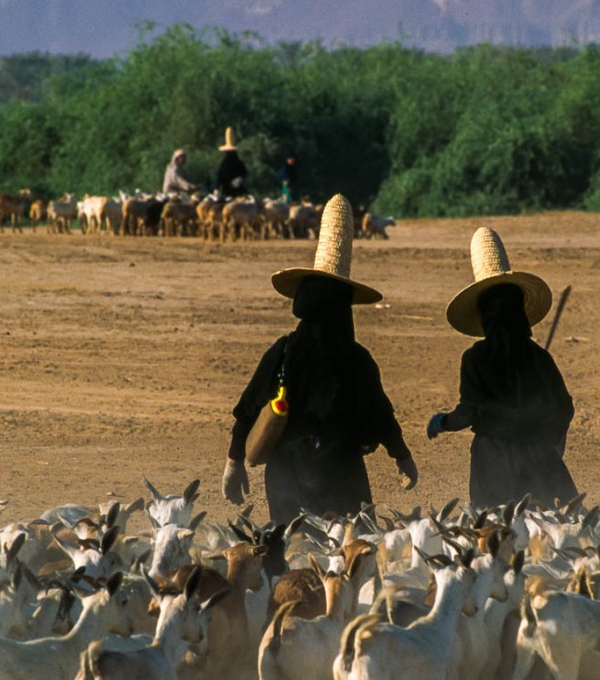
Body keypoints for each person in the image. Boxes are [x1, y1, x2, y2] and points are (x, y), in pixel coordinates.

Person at [223, 194, 418, 521]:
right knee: (344, 556)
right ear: (344, 309)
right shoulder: (356, 359)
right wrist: (402, 457)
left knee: (289, 552)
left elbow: (248, 410)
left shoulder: (283, 351)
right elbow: (380, 415)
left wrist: (234, 463)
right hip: (339, 474)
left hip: (285, 474)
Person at [426, 226, 576, 511]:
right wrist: (551, 440)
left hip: (494, 461)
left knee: (497, 527)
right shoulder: (538, 357)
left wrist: (444, 423)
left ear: (484, 318)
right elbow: (564, 408)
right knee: (553, 525)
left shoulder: (476, 357)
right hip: (539, 458)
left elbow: (468, 412)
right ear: (520, 312)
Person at [216, 127, 249, 198]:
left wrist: (239, 179)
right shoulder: (225, 165)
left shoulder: (236, 163)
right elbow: (219, 178)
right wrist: (216, 188)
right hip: (227, 192)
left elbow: (244, 173)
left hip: (237, 191)